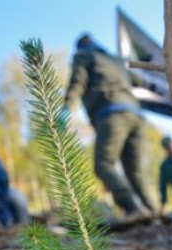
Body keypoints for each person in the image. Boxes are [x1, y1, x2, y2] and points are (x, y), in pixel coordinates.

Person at [65, 33, 155, 217]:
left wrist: (66, 106)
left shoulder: (83, 57)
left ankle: (134, 209)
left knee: (103, 164)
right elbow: (140, 81)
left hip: (111, 112)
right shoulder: (116, 60)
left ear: (81, 47)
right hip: (135, 114)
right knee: (136, 172)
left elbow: (78, 81)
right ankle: (154, 212)